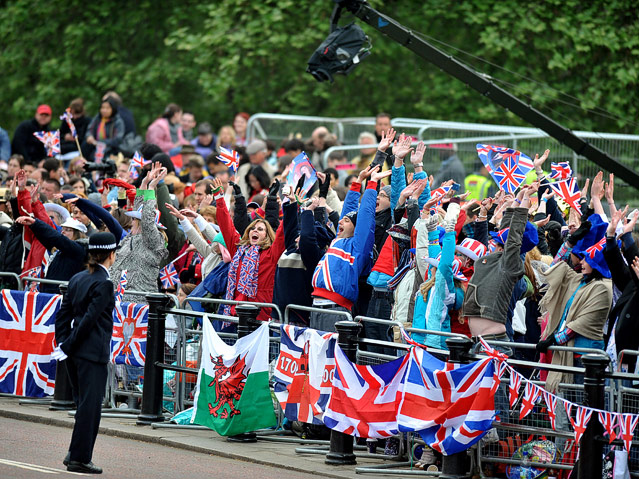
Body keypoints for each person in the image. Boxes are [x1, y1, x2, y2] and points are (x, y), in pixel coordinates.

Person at [52, 231, 118, 474]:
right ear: (111, 254)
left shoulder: (78, 277)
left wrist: (64, 343)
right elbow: (90, 319)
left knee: (83, 406)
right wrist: (67, 345)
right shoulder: (104, 282)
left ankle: (73, 452)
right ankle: (80, 458)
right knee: (90, 408)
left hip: (74, 352)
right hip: (91, 352)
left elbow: (63, 315)